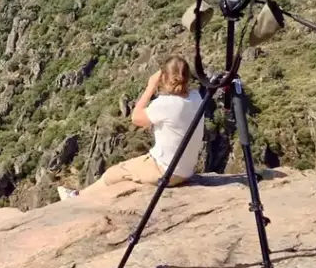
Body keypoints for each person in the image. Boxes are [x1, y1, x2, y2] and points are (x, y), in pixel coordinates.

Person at [57, 55, 206, 200]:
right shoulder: (196, 97)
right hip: (186, 171)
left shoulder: (165, 104)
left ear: (163, 78)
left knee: (113, 173)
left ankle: (76, 197)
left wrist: (150, 87)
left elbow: (136, 118)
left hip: (166, 170)